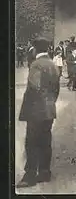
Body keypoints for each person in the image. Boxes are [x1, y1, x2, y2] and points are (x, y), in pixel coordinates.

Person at [17, 38, 60, 188]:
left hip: (36, 110)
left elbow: (35, 87)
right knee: (45, 142)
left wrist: (33, 106)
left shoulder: (36, 65)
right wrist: (49, 103)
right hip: (49, 109)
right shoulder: (53, 65)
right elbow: (56, 90)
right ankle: (44, 172)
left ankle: (29, 176)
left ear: (35, 49)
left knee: (32, 143)